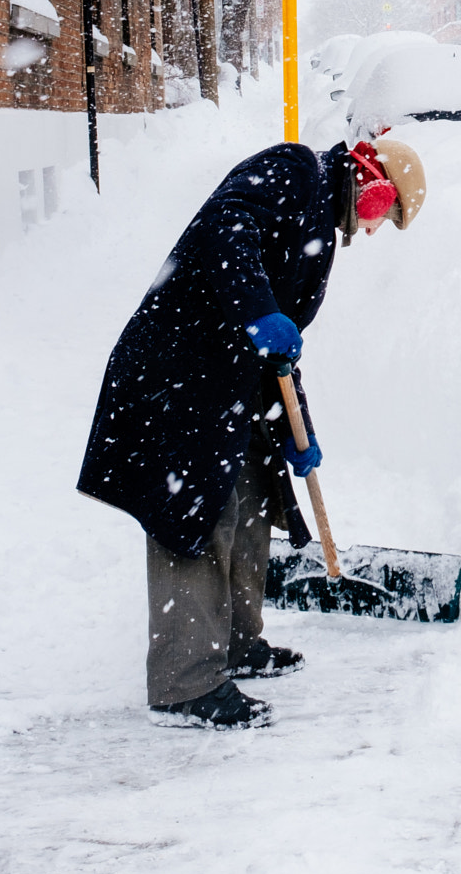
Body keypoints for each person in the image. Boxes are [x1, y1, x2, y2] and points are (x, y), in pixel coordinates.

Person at [77, 135, 426, 729]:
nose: (373, 229)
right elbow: (225, 227)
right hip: (177, 371)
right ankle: (185, 682)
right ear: (370, 177)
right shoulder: (294, 169)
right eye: (381, 213)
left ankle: (237, 644)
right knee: (197, 516)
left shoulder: (319, 228)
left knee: (256, 497)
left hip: (225, 383)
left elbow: (279, 352)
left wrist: (297, 432)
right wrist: (257, 308)